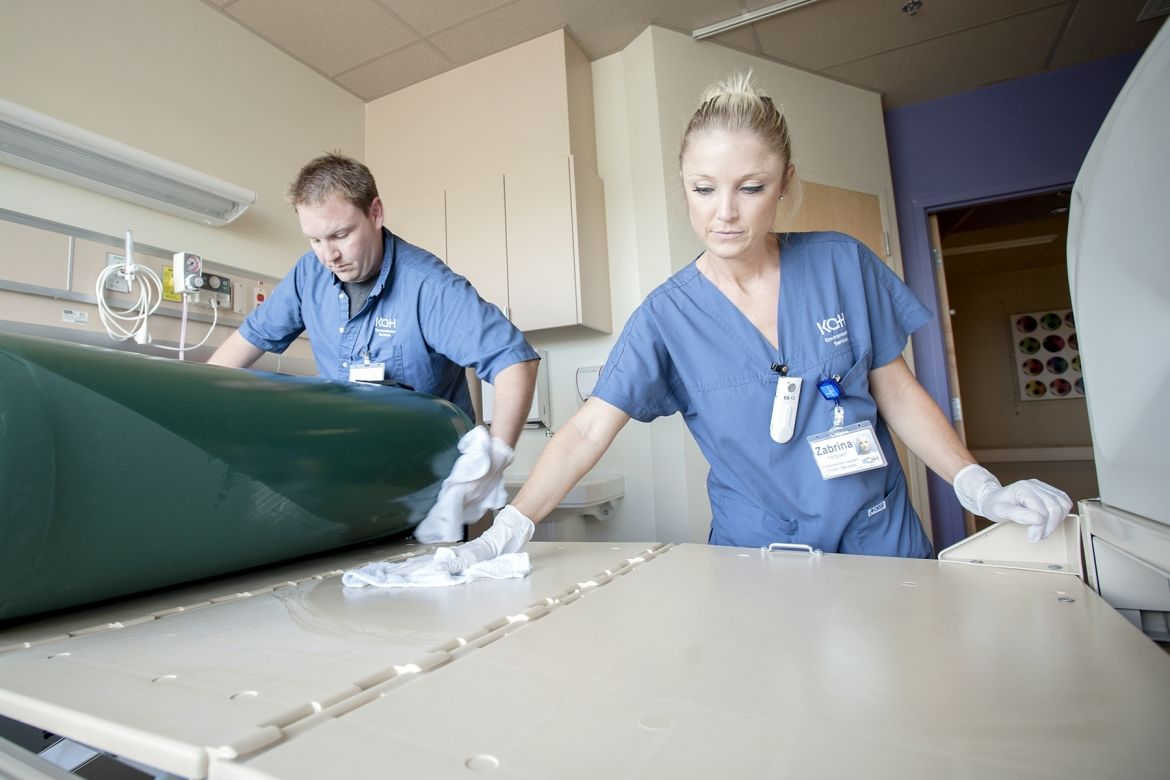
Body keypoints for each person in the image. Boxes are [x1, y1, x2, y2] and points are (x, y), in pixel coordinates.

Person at [425, 73, 1072, 572]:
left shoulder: (842, 263)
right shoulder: (666, 317)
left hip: (881, 538)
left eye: (751, 187)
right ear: (684, 185)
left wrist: (977, 486)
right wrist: (506, 531)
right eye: (704, 188)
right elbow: (588, 429)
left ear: (786, 183)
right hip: (759, 555)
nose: (725, 213)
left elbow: (896, 390)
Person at [208, 153, 540, 542]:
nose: (328, 256)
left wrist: (494, 459)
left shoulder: (427, 287)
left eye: (340, 235)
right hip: (348, 477)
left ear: (376, 213)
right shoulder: (308, 275)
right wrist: (201, 413)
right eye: (315, 240)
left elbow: (515, 362)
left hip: (427, 485)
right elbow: (238, 351)